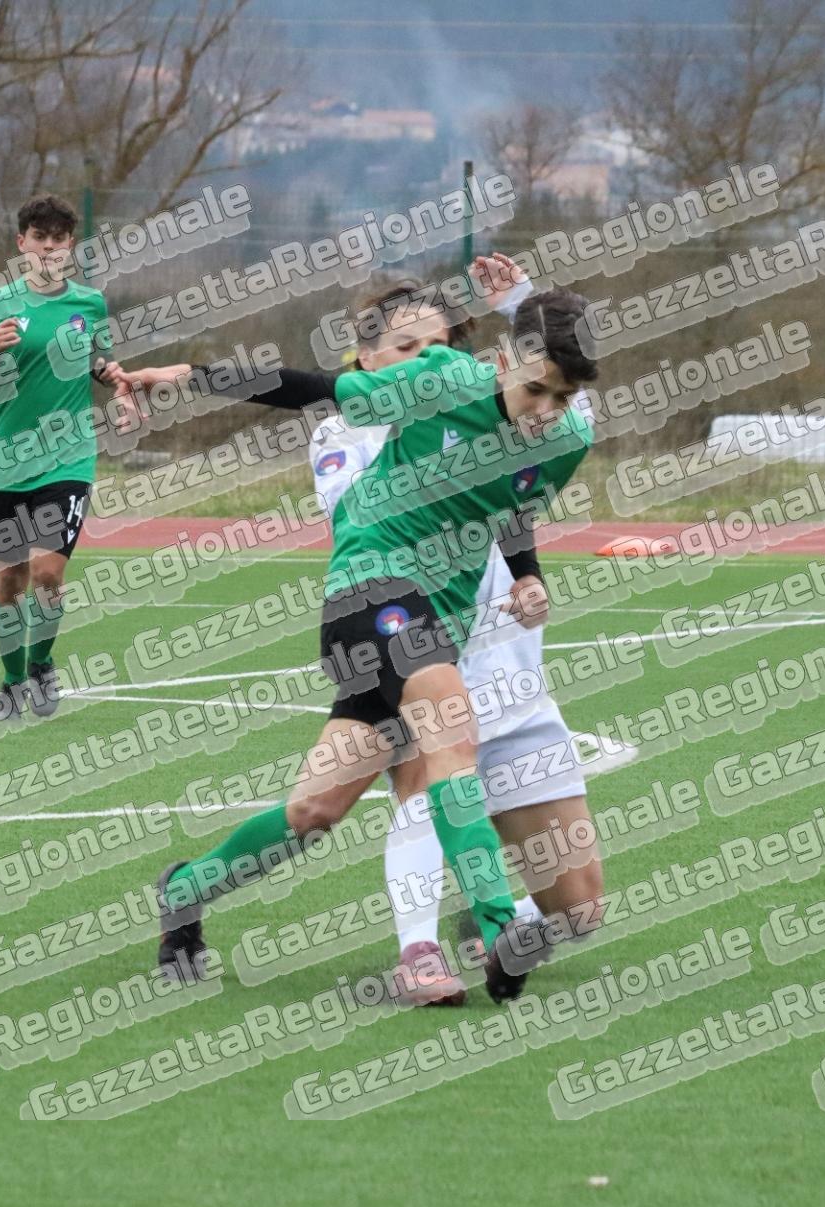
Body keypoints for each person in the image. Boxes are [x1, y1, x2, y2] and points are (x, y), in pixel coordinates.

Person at [122, 286, 600, 1002]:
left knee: (314, 811)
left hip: (437, 621)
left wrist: (527, 574)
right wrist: (188, 376)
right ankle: (500, 927)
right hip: (371, 585)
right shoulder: (440, 379)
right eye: (536, 390)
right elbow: (309, 387)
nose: (546, 411)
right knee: (452, 736)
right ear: (503, 361)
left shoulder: (565, 441)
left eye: (562, 399)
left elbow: (509, 508)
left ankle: (186, 889)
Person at [308, 262, 606, 1007]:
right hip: (418, 644)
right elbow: (357, 521)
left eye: (437, 346)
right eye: (406, 348)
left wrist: (522, 301)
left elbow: (556, 405)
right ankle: (420, 951)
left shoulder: (517, 413)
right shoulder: (349, 434)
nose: (424, 360)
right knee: (409, 783)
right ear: (366, 358)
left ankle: (500, 923)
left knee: (580, 909)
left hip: (516, 676)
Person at [0, 193, 140, 721]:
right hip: (8, 462)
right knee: (8, 581)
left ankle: (41, 665)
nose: (48, 248)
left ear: (70, 246)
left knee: (46, 574)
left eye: (59, 239)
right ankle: (13, 681)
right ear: (22, 243)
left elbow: (99, 361)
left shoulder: (89, 304)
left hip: (68, 457)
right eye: (39, 238)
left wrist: (115, 381)